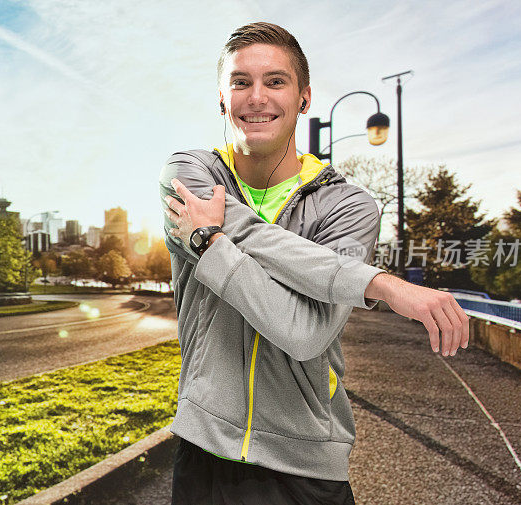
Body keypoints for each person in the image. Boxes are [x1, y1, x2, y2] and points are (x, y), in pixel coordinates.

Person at [159, 22, 469, 505]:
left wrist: (212, 239)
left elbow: (304, 333)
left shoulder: (350, 207)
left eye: (275, 81)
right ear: (222, 98)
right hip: (203, 452)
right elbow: (274, 260)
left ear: (304, 97)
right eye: (241, 82)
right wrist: (377, 284)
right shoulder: (187, 173)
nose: (257, 97)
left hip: (304, 465)